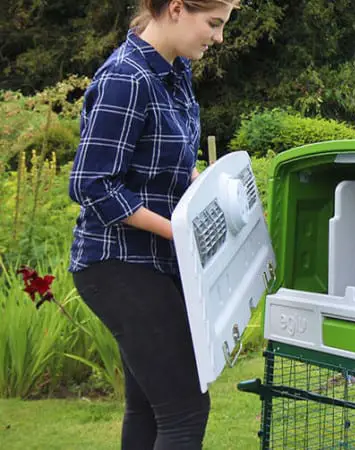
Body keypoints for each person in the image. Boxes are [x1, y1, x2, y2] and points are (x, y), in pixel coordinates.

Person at [67, 1, 239, 448]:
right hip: (118, 264)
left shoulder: (175, 74)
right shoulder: (127, 78)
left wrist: (203, 185)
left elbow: (169, 164)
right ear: (177, 9)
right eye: (214, 23)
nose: (218, 37)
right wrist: (178, 230)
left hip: (155, 264)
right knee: (185, 410)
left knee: (148, 407)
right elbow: (93, 183)